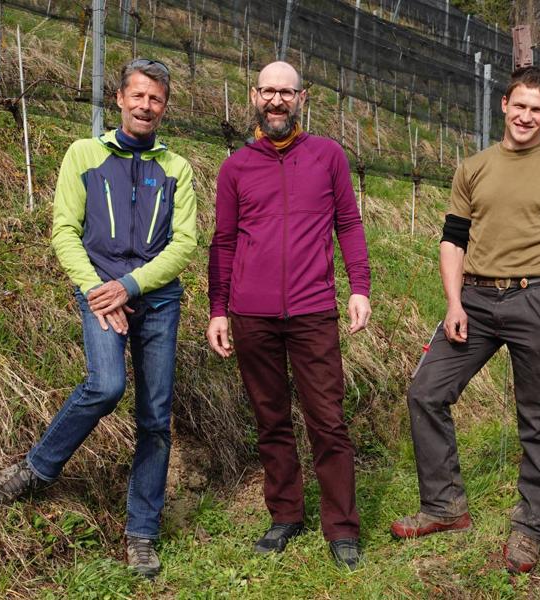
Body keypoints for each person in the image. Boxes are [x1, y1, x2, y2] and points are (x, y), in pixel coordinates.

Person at [390, 66, 540, 574]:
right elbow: (453, 239)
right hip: (475, 301)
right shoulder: (474, 167)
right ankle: (444, 507)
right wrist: (453, 302)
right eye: (520, 105)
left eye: (538, 109)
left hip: (536, 301)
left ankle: (531, 526)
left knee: (537, 418)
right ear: (504, 104)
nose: (526, 116)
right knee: (426, 392)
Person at [0, 58, 197, 579]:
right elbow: (64, 230)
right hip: (99, 292)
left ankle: (142, 531)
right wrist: (102, 291)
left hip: (158, 301)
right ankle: (36, 469)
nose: (146, 106)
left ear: (164, 108)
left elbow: (185, 243)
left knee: (155, 417)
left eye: (156, 99)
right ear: (119, 100)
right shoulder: (84, 154)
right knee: (104, 387)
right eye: (138, 96)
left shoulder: (177, 169)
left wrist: (129, 286)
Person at [206, 61, 372, 570]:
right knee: (270, 418)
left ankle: (341, 528)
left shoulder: (328, 157)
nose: (277, 101)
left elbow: (348, 223)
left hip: (313, 311)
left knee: (328, 420)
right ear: (254, 95)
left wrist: (359, 288)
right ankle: (285, 514)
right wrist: (218, 309)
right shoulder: (235, 167)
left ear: (303, 98)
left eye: (287, 92)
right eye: (268, 92)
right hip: (251, 314)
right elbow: (224, 241)